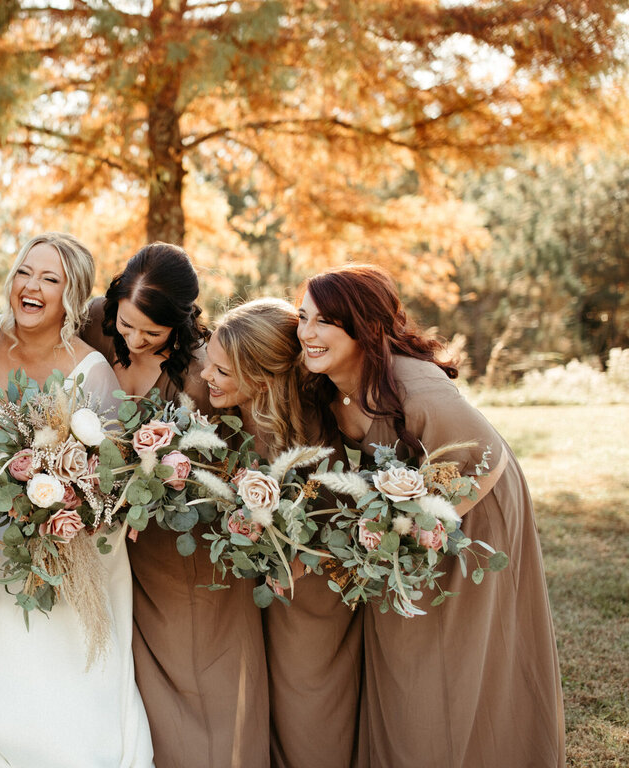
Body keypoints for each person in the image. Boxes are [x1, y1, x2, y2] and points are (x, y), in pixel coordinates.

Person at [297, 264, 564, 767]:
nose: (307, 333)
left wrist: (422, 528)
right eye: (303, 318)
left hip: (476, 501)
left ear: (364, 326)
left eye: (324, 322)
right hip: (410, 508)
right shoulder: (333, 380)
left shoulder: (414, 385)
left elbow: (485, 454)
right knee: (406, 640)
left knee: (453, 648)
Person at [0, 232, 154, 767]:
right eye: (24, 272)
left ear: (71, 295)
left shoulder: (92, 373)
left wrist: (46, 506)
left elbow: (102, 482)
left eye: (49, 279)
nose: (30, 287)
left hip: (56, 544)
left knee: (52, 673)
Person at [82, 244, 269, 768]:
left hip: (189, 555)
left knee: (204, 687)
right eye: (127, 325)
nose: (134, 340)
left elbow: (242, 454)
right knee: (139, 695)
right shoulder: (96, 323)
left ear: (180, 323)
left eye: (152, 333)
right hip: (118, 554)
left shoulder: (203, 370)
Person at [204, 298, 361, 768]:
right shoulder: (233, 418)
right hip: (266, 588)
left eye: (221, 371)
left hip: (313, 590)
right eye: (208, 363)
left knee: (305, 704)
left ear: (260, 379)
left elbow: (331, 522)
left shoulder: (310, 434)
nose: (207, 377)